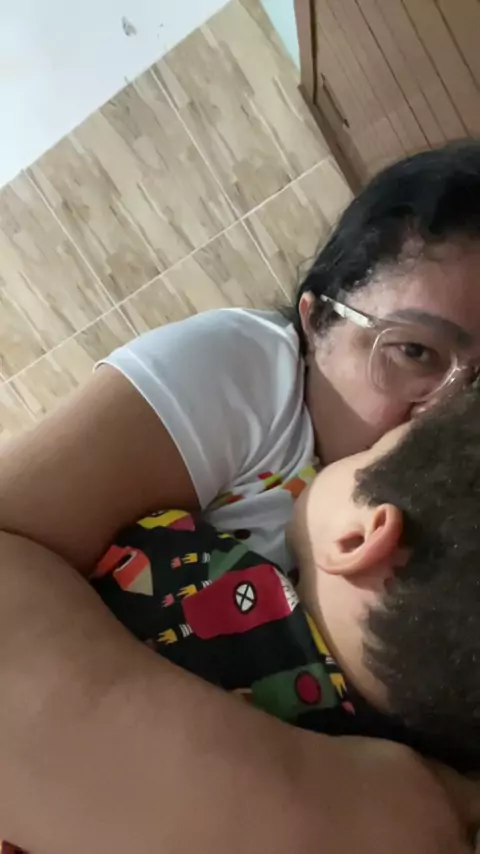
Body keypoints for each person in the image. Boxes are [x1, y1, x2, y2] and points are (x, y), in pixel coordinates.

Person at [2, 140, 480, 852]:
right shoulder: (248, 374)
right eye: (414, 351)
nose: (441, 414)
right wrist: (314, 798)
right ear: (317, 320)